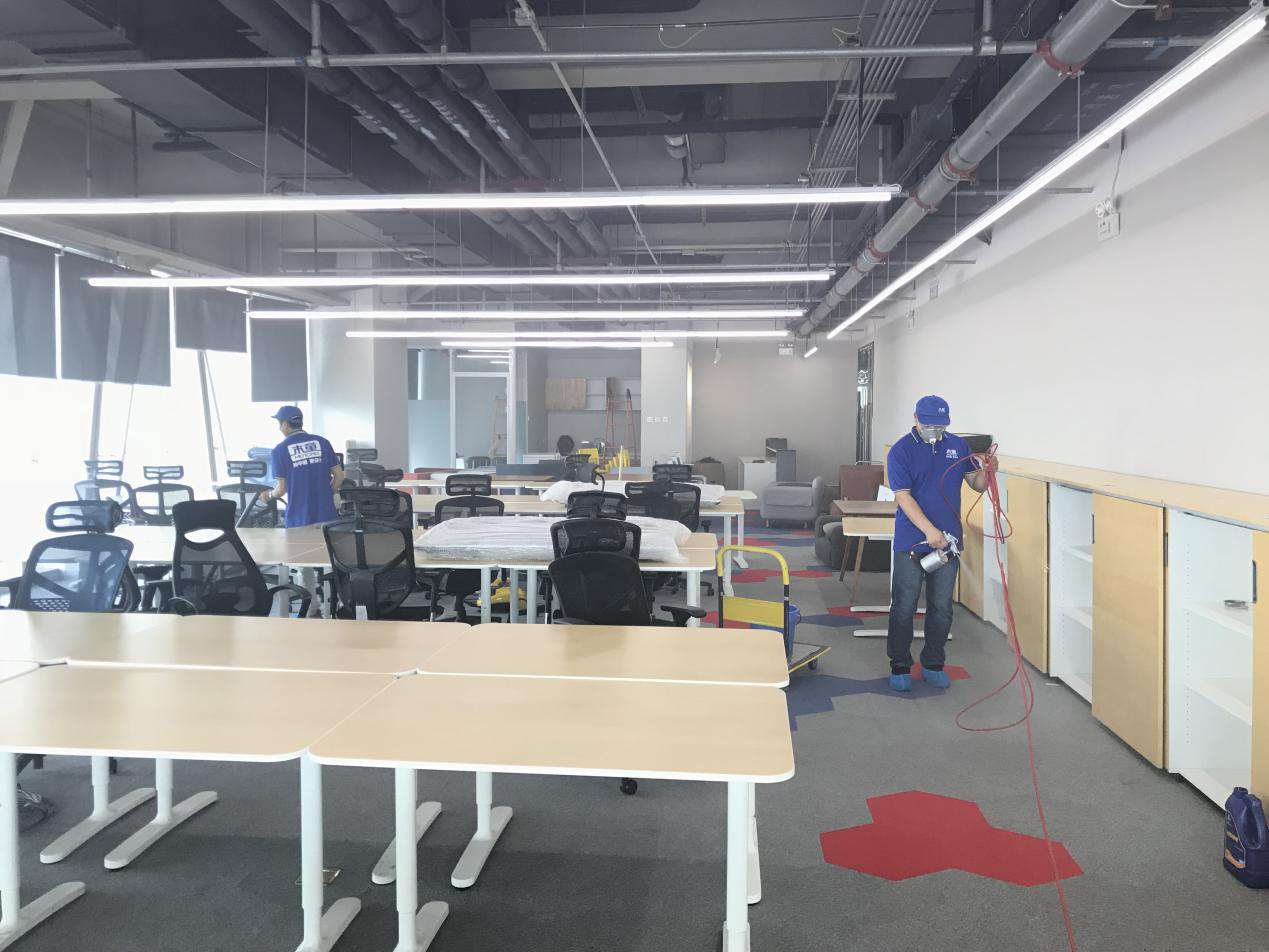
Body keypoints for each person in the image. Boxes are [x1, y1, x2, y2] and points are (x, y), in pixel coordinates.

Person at [885, 395, 995, 692]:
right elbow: (903, 496)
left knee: (942, 606)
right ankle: (900, 665)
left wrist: (988, 470)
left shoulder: (958, 446)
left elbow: (977, 485)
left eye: (940, 426)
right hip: (911, 540)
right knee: (904, 605)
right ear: (915, 419)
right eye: (929, 425)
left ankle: (933, 663)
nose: (934, 430)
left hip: (948, 542)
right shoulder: (901, 451)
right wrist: (929, 530)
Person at [261, 406, 345, 528]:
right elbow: (339, 477)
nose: (279, 428)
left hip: (298, 519)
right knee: (325, 541)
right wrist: (325, 495)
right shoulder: (322, 442)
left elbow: (281, 489)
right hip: (326, 516)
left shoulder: (279, 451)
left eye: (279, 424)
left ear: (285, 424)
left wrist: (268, 495)